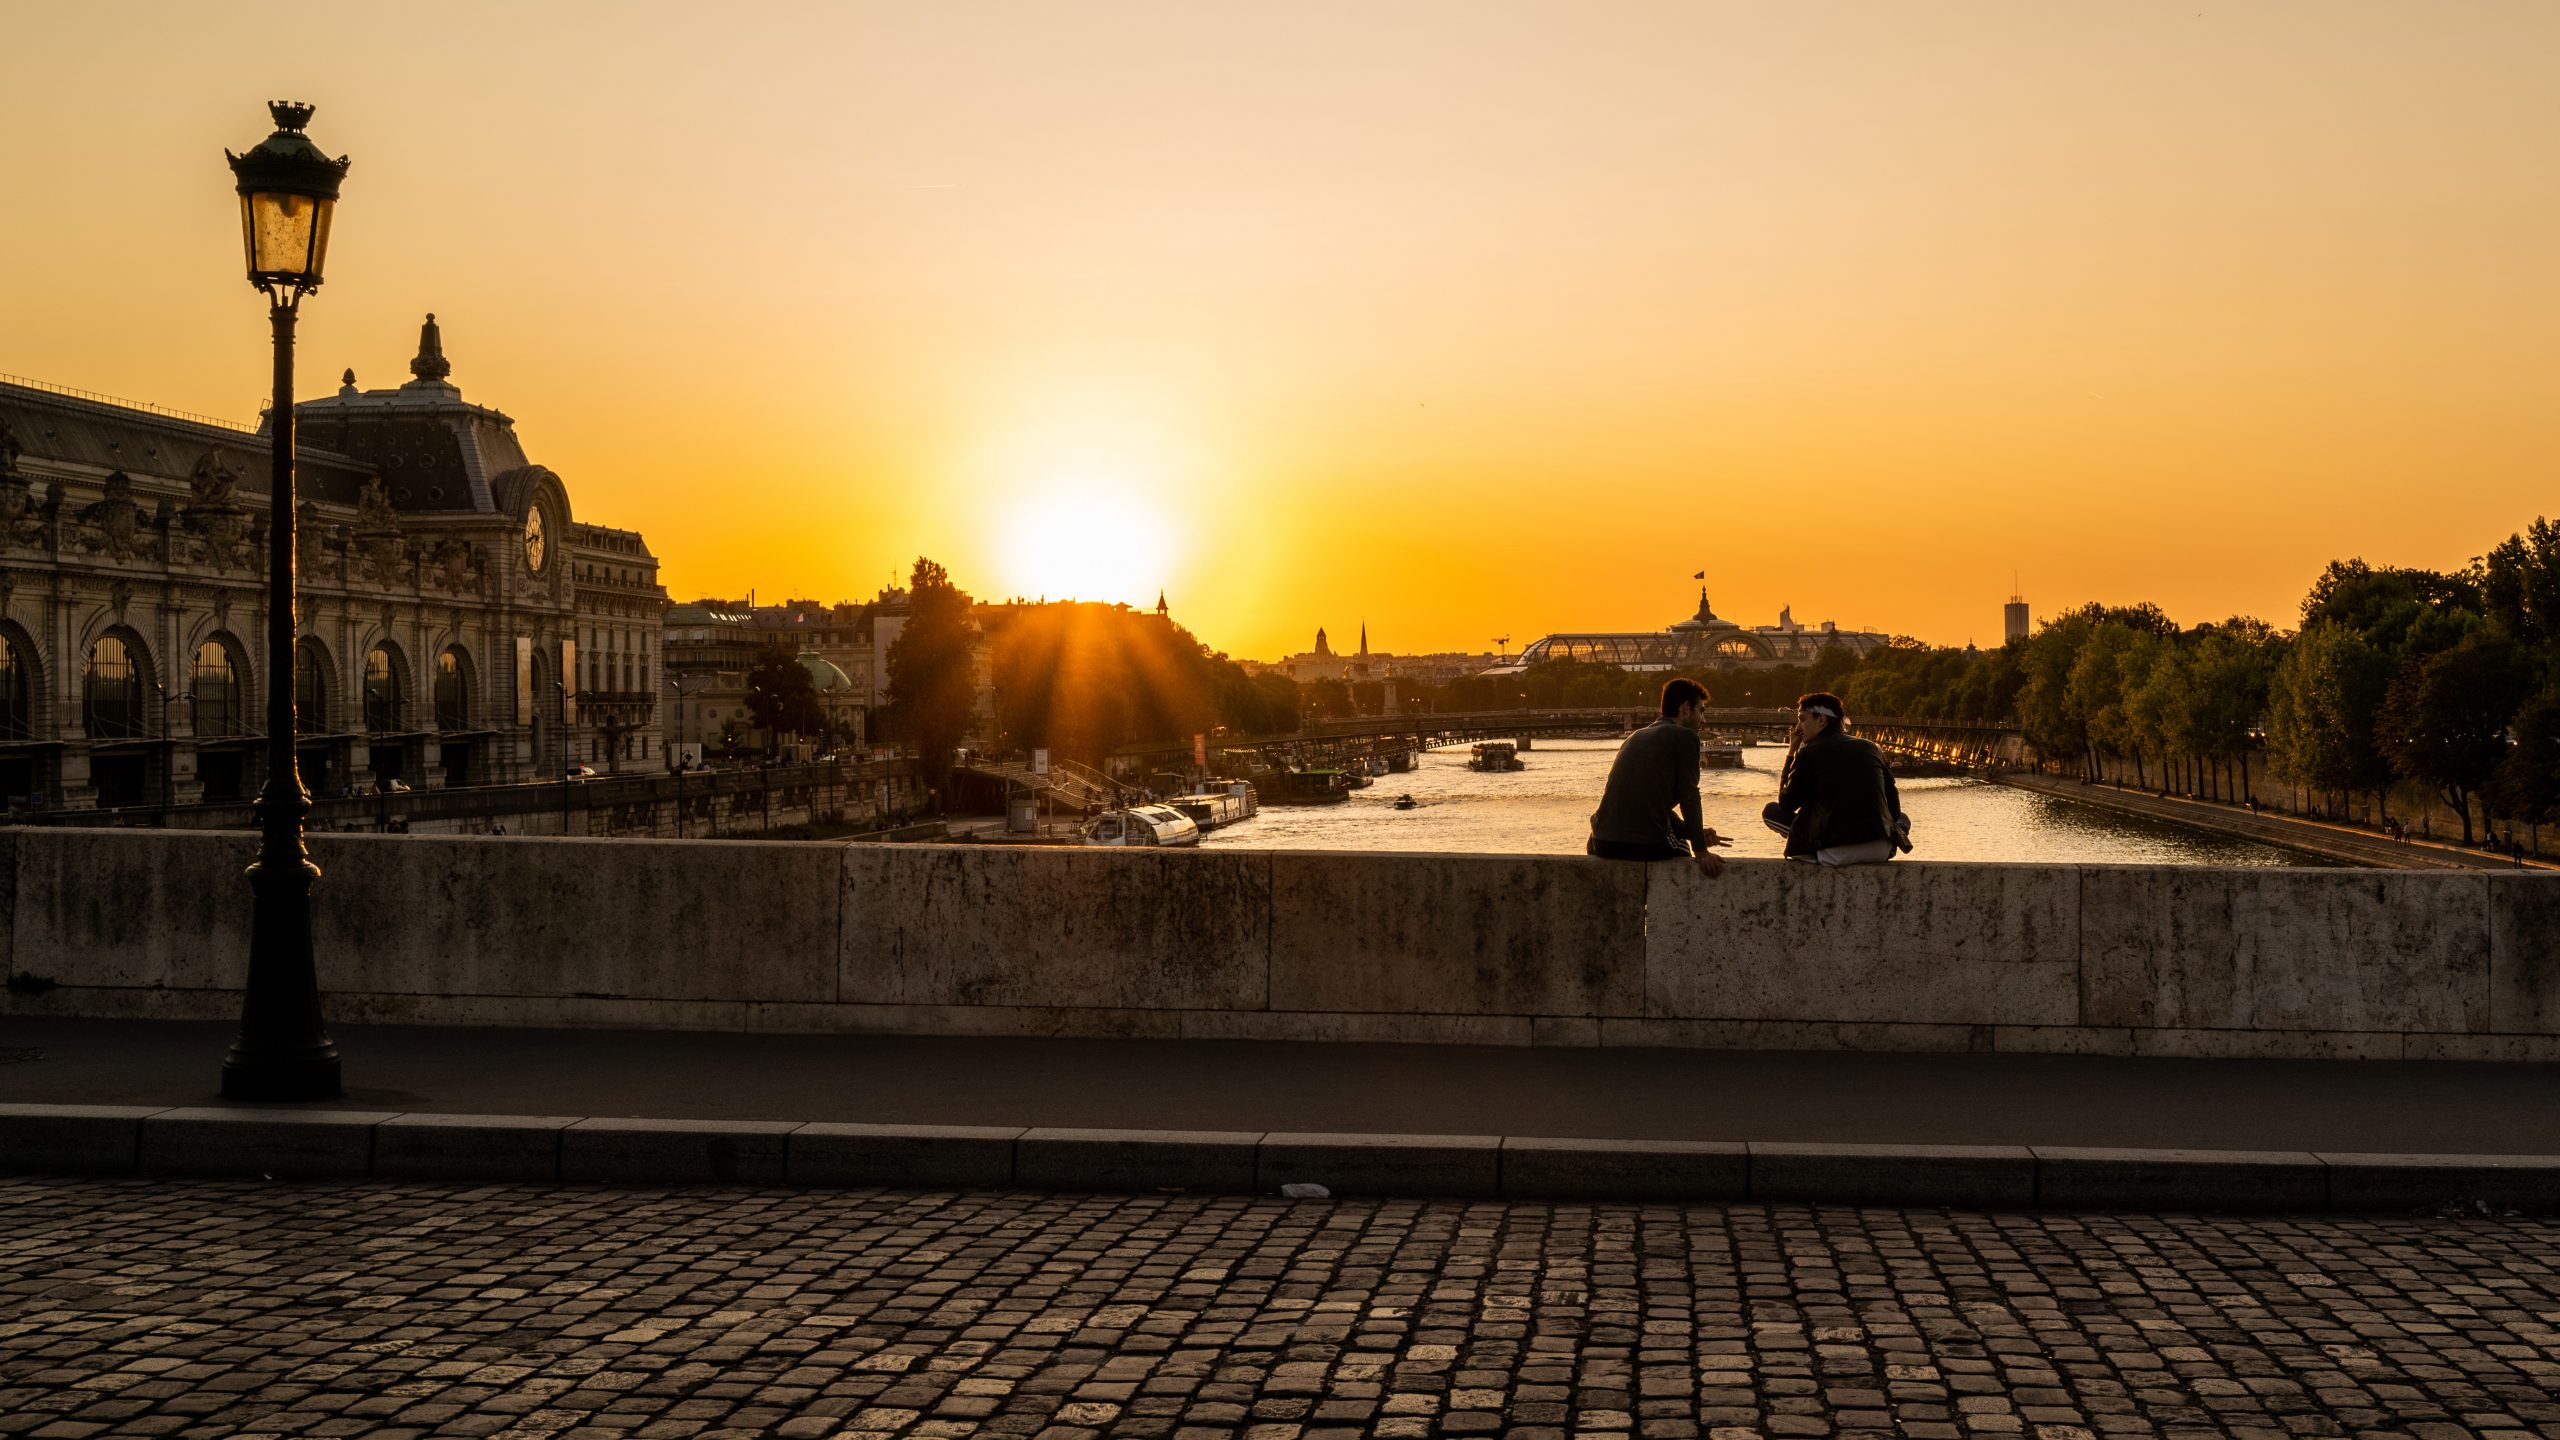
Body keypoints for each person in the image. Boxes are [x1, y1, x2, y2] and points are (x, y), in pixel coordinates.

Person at [1586, 677, 1731, 877]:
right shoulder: (1686, 737)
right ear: (1686, 708)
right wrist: (1700, 849)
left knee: (1676, 834)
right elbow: (1689, 795)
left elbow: (1647, 803)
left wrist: (1693, 832)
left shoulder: (1635, 736)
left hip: (1600, 842)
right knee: (1681, 847)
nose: (1703, 720)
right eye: (1701, 711)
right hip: (1640, 843)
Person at [1761, 692, 1909, 866]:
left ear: (1822, 720)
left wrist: (1791, 754)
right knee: (1903, 819)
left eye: (1802, 719)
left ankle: (1818, 845)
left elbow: (1786, 803)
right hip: (1881, 850)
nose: (1798, 727)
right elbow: (1894, 810)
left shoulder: (1808, 752)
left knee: (1771, 811)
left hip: (1832, 851)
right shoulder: (1872, 747)